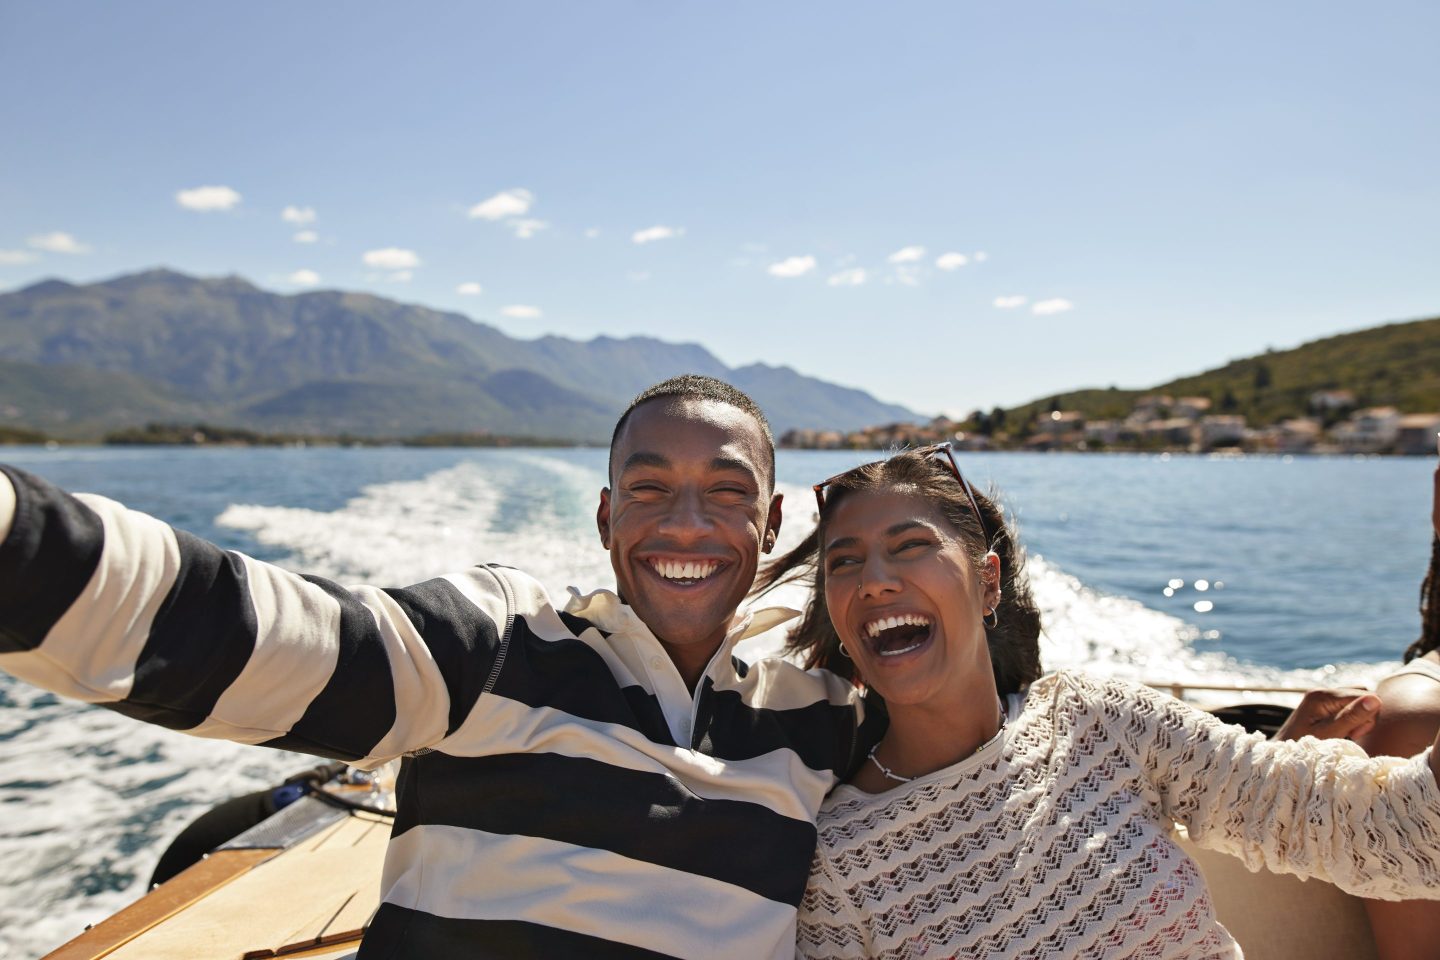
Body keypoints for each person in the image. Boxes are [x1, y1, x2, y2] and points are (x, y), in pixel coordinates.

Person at [0, 375, 878, 960]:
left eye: (725, 493)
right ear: (607, 519)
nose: (685, 524)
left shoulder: (827, 713)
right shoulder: (499, 645)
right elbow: (252, 633)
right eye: (649, 490)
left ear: (768, 528)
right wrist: (19, 540)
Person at [753, 444, 1440, 959]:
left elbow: (1396, 830)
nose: (873, 579)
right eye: (844, 561)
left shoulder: (1100, 721)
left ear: (988, 584)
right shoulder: (841, 861)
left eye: (909, 547)